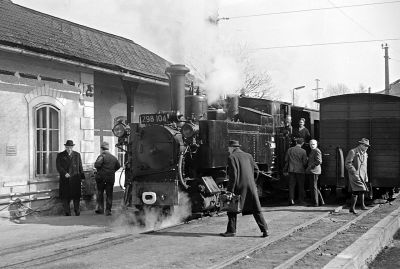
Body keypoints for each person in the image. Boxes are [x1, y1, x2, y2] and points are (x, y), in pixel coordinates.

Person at [220, 140, 269, 238]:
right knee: (256, 208)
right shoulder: (249, 155)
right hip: (250, 186)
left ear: (232, 148)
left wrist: (230, 190)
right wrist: (252, 181)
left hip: (239, 186)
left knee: (232, 208)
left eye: (228, 148)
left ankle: (231, 231)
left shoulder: (232, 157)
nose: (228, 150)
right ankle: (265, 230)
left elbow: (233, 175)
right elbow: (256, 170)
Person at [56, 140, 84, 216]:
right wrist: (64, 173)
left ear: (72, 147)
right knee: (65, 196)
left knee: (76, 196)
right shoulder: (60, 155)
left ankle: (77, 211)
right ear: (65, 147)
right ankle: (67, 212)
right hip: (65, 179)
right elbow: (58, 166)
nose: (69, 149)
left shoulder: (77, 155)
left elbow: (80, 166)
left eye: (70, 147)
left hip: (75, 179)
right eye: (67, 147)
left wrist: (82, 177)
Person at [94, 141, 121, 216]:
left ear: (102, 149)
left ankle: (100, 209)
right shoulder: (114, 158)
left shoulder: (102, 156)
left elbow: (97, 165)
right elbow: (118, 166)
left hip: (101, 178)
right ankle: (108, 210)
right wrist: (112, 171)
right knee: (109, 195)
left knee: (100, 193)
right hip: (110, 178)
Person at [345, 138, 370, 214]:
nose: (367, 147)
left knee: (361, 190)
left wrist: (365, 175)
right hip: (355, 174)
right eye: (365, 145)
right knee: (360, 189)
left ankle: (360, 206)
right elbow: (348, 163)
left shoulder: (365, 153)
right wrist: (354, 171)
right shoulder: (353, 151)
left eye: (367, 146)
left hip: (362, 175)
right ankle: (353, 207)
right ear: (361, 145)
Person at [284, 138, 308, 206]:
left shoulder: (290, 149)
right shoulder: (303, 151)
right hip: (300, 171)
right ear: (302, 143)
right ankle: (301, 200)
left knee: (291, 186)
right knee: (301, 186)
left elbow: (286, 160)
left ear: (296, 142)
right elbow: (304, 163)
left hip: (291, 170)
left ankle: (291, 200)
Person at [306, 139, 325, 207]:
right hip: (314, 171)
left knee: (313, 187)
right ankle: (320, 201)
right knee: (315, 187)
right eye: (311, 144)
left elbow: (319, 161)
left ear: (316, 144)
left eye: (313, 144)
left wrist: (311, 166)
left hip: (314, 171)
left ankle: (315, 203)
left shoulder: (316, 150)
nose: (312, 146)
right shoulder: (313, 150)